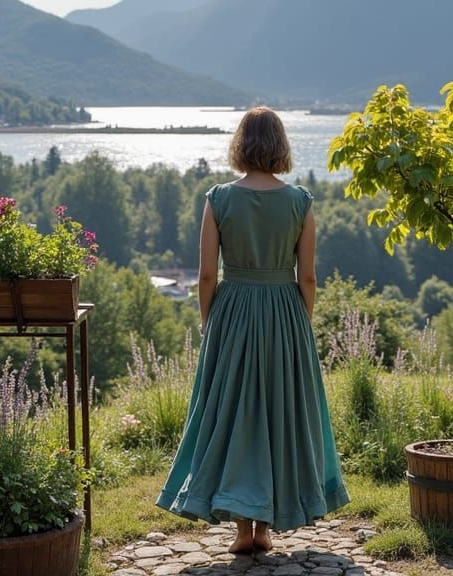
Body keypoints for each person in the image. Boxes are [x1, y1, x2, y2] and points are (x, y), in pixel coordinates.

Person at [156, 107, 349, 553]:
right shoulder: (300, 201)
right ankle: (267, 527)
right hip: (285, 313)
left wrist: (209, 319)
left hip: (234, 311)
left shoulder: (219, 198)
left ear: (240, 145)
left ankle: (242, 528)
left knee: (234, 413)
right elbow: (308, 277)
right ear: (281, 146)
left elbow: (207, 274)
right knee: (280, 413)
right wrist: (303, 320)